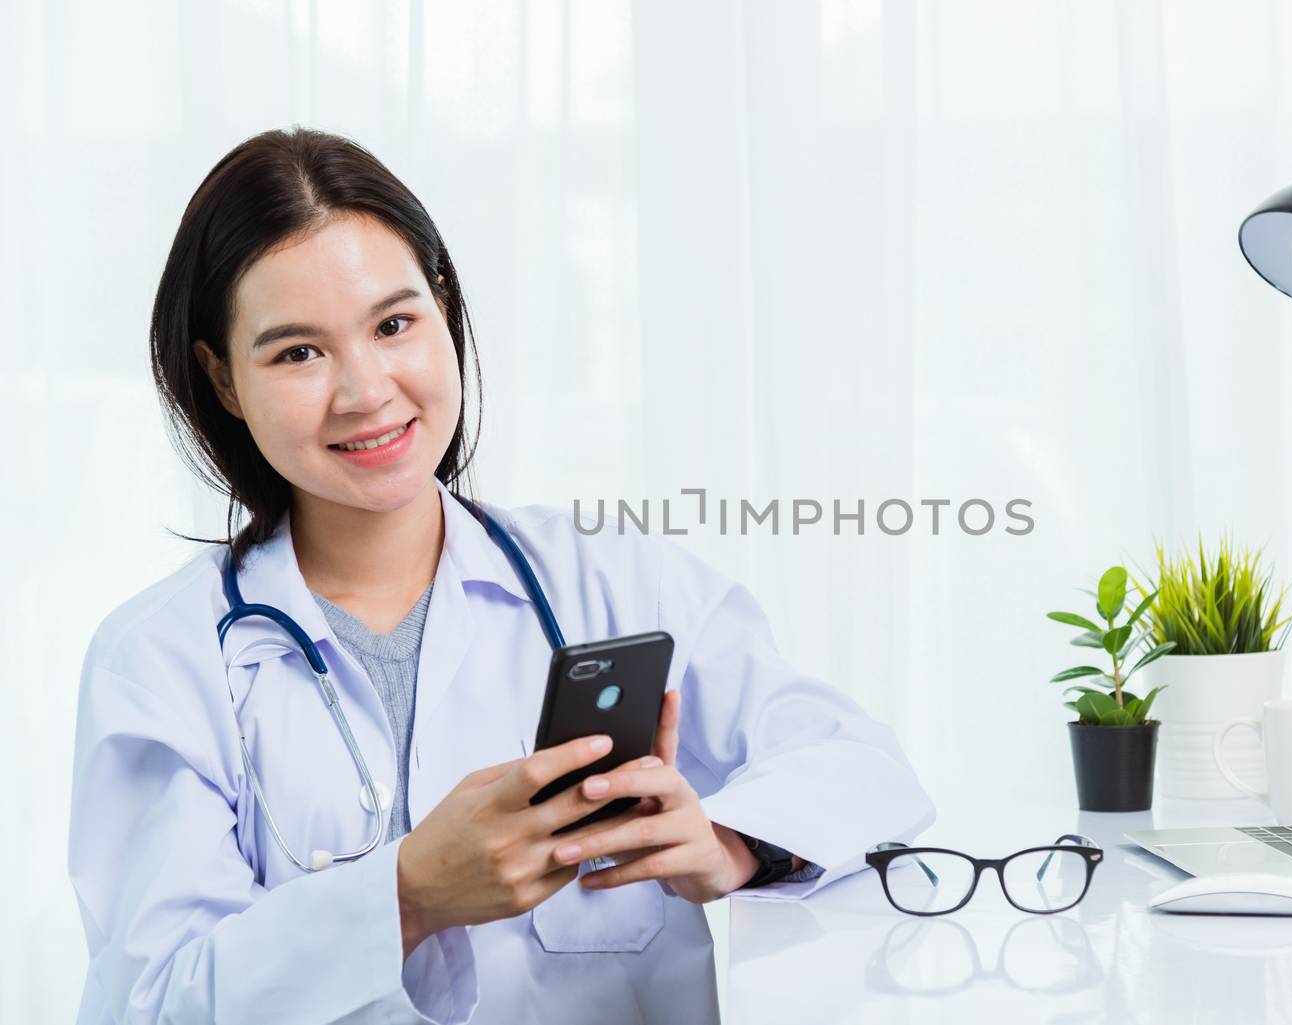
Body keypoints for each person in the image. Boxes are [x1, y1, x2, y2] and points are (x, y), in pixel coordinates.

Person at [67, 127, 934, 1025]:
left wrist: (729, 843)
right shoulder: (162, 658)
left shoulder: (613, 579)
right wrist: (407, 897)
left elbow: (865, 767)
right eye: (298, 352)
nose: (366, 390)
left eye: (394, 324)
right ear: (222, 378)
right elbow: (152, 1001)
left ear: (444, 306)